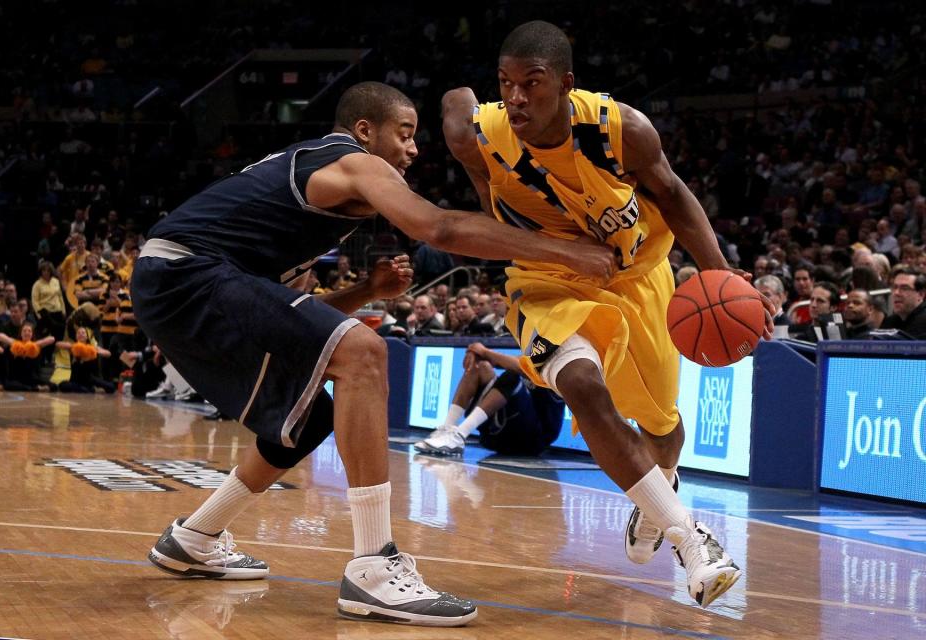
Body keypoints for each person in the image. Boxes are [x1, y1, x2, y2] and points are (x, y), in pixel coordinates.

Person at [131, 81, 615, 627]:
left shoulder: (298, 195)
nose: (413, 149)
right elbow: (438, 226)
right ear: (366, 131)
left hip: (178, 280)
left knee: (309, 420)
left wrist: (365, 292)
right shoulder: (350, 159)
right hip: (186, 273)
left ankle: (195, 536)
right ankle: (374, 571)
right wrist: (567, 252)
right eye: (404, 134)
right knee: (365, 351)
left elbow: (292, 318)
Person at [441, 22, 773, 608]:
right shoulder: (482, 135)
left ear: (566, 84)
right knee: (582, 384)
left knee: (664, 428)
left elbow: (672, 194)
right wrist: (461, 99)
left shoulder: (621, 129)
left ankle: (656, 499)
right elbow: (453, 110)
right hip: (543, 283)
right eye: (506, 84)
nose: (516, 98)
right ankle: (691, 540)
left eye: (532, 84)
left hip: (640, 277)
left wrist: (721, 272)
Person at [415, 342, 565, 456]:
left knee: (512, 376)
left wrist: (484, 351)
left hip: (533, 440)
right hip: (504, 434)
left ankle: (460, 435)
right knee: (480, 367)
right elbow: (514, 362)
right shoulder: (538, 348)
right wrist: (478, 353)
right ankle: (447, 429)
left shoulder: (560, 358)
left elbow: (521, 368)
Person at [881, 268, 926, 338]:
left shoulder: (923, 322)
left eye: (904, 288)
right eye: (894, 287)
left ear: (921, 294)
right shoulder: (889, 321)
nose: (896, 293)